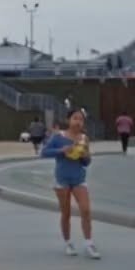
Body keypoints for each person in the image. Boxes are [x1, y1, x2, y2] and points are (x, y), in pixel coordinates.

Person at [41, 108, 99, 259]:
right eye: (75, 118)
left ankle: (89, 243)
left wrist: (85, 156)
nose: (78, 122)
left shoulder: (84, 138)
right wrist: (62, 150)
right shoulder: (58, 137)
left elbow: (86, 162)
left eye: (81, 119)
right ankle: (68, 243)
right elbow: (44, 152)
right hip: (62, 179)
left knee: (85, 210)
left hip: (79, 178)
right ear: (68, 120)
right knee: (66, 213)